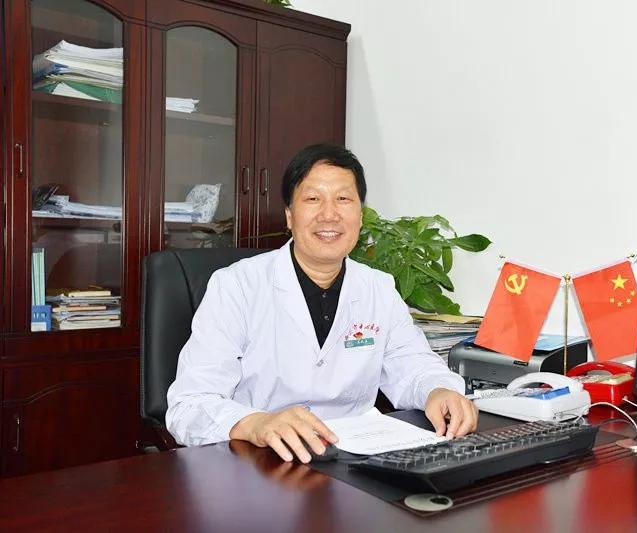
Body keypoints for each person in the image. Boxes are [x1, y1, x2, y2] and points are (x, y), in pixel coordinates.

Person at [166, 143, 477, 462]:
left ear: (360, 216)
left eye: (343, 199)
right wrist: (256, 423)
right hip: (260, 459)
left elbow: (414, 366)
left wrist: (438, 389)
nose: (329, 215)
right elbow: (189, 405)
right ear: (289, 215)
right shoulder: (237, 286)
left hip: (354, 459)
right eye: (313, 199)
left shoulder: (378, 288)